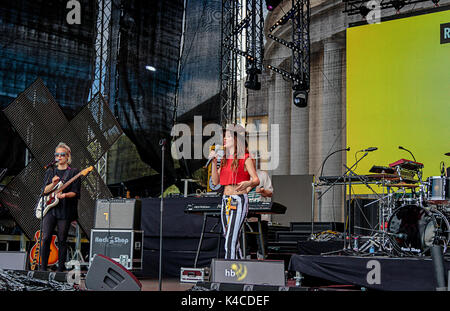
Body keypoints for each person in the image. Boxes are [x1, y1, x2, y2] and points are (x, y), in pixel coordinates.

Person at [210, 125, 260, 259]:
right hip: (226, 200)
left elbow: (256, 179)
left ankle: (229, 271)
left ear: (238, 139)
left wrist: (248, 183)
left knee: (231, 238)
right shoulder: (225, 159)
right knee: (229, 236)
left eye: (228, 136)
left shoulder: (246, 158)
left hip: (238, 199)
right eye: (224, 136)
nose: (225, 139)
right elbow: (215, 182)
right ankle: (239, 270)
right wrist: (214, 163)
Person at [40, 142, 81, 272]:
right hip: (50, 208)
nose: (59, 156)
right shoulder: (51, 171)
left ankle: (60, 268)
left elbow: (75, 192)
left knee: (62, 239)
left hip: (65, 209)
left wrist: (65, 195)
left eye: (62, 154)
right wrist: (52, 184)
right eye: (57, 154)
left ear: (68, 156)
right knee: (46, 237)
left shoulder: (74, 172)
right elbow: (44, 191)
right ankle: (43, 268)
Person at [246, 155, 273, 259]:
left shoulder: (263, 174)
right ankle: (245, 261)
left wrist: (262, 191)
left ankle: (262, 261)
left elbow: (270, 193)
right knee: (245, 243)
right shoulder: (242, 175)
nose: (251, 161)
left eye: (253, 160)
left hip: (261, 216)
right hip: (245, 215)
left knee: (262, 242)